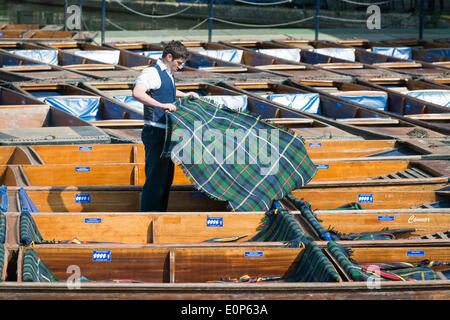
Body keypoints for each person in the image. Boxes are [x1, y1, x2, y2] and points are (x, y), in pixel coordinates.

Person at [133, 40, 199, 212]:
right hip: (156, 133)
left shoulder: (167, 73)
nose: (180, 67)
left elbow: (165, 90)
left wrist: (186, 94)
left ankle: (160, 219)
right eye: (178, 63)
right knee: (155, 182)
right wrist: (162, 106)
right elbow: (137, 92)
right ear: (169, 57)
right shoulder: (151, 72)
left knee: (165, 181)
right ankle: (149, 219)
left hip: (167, 134)